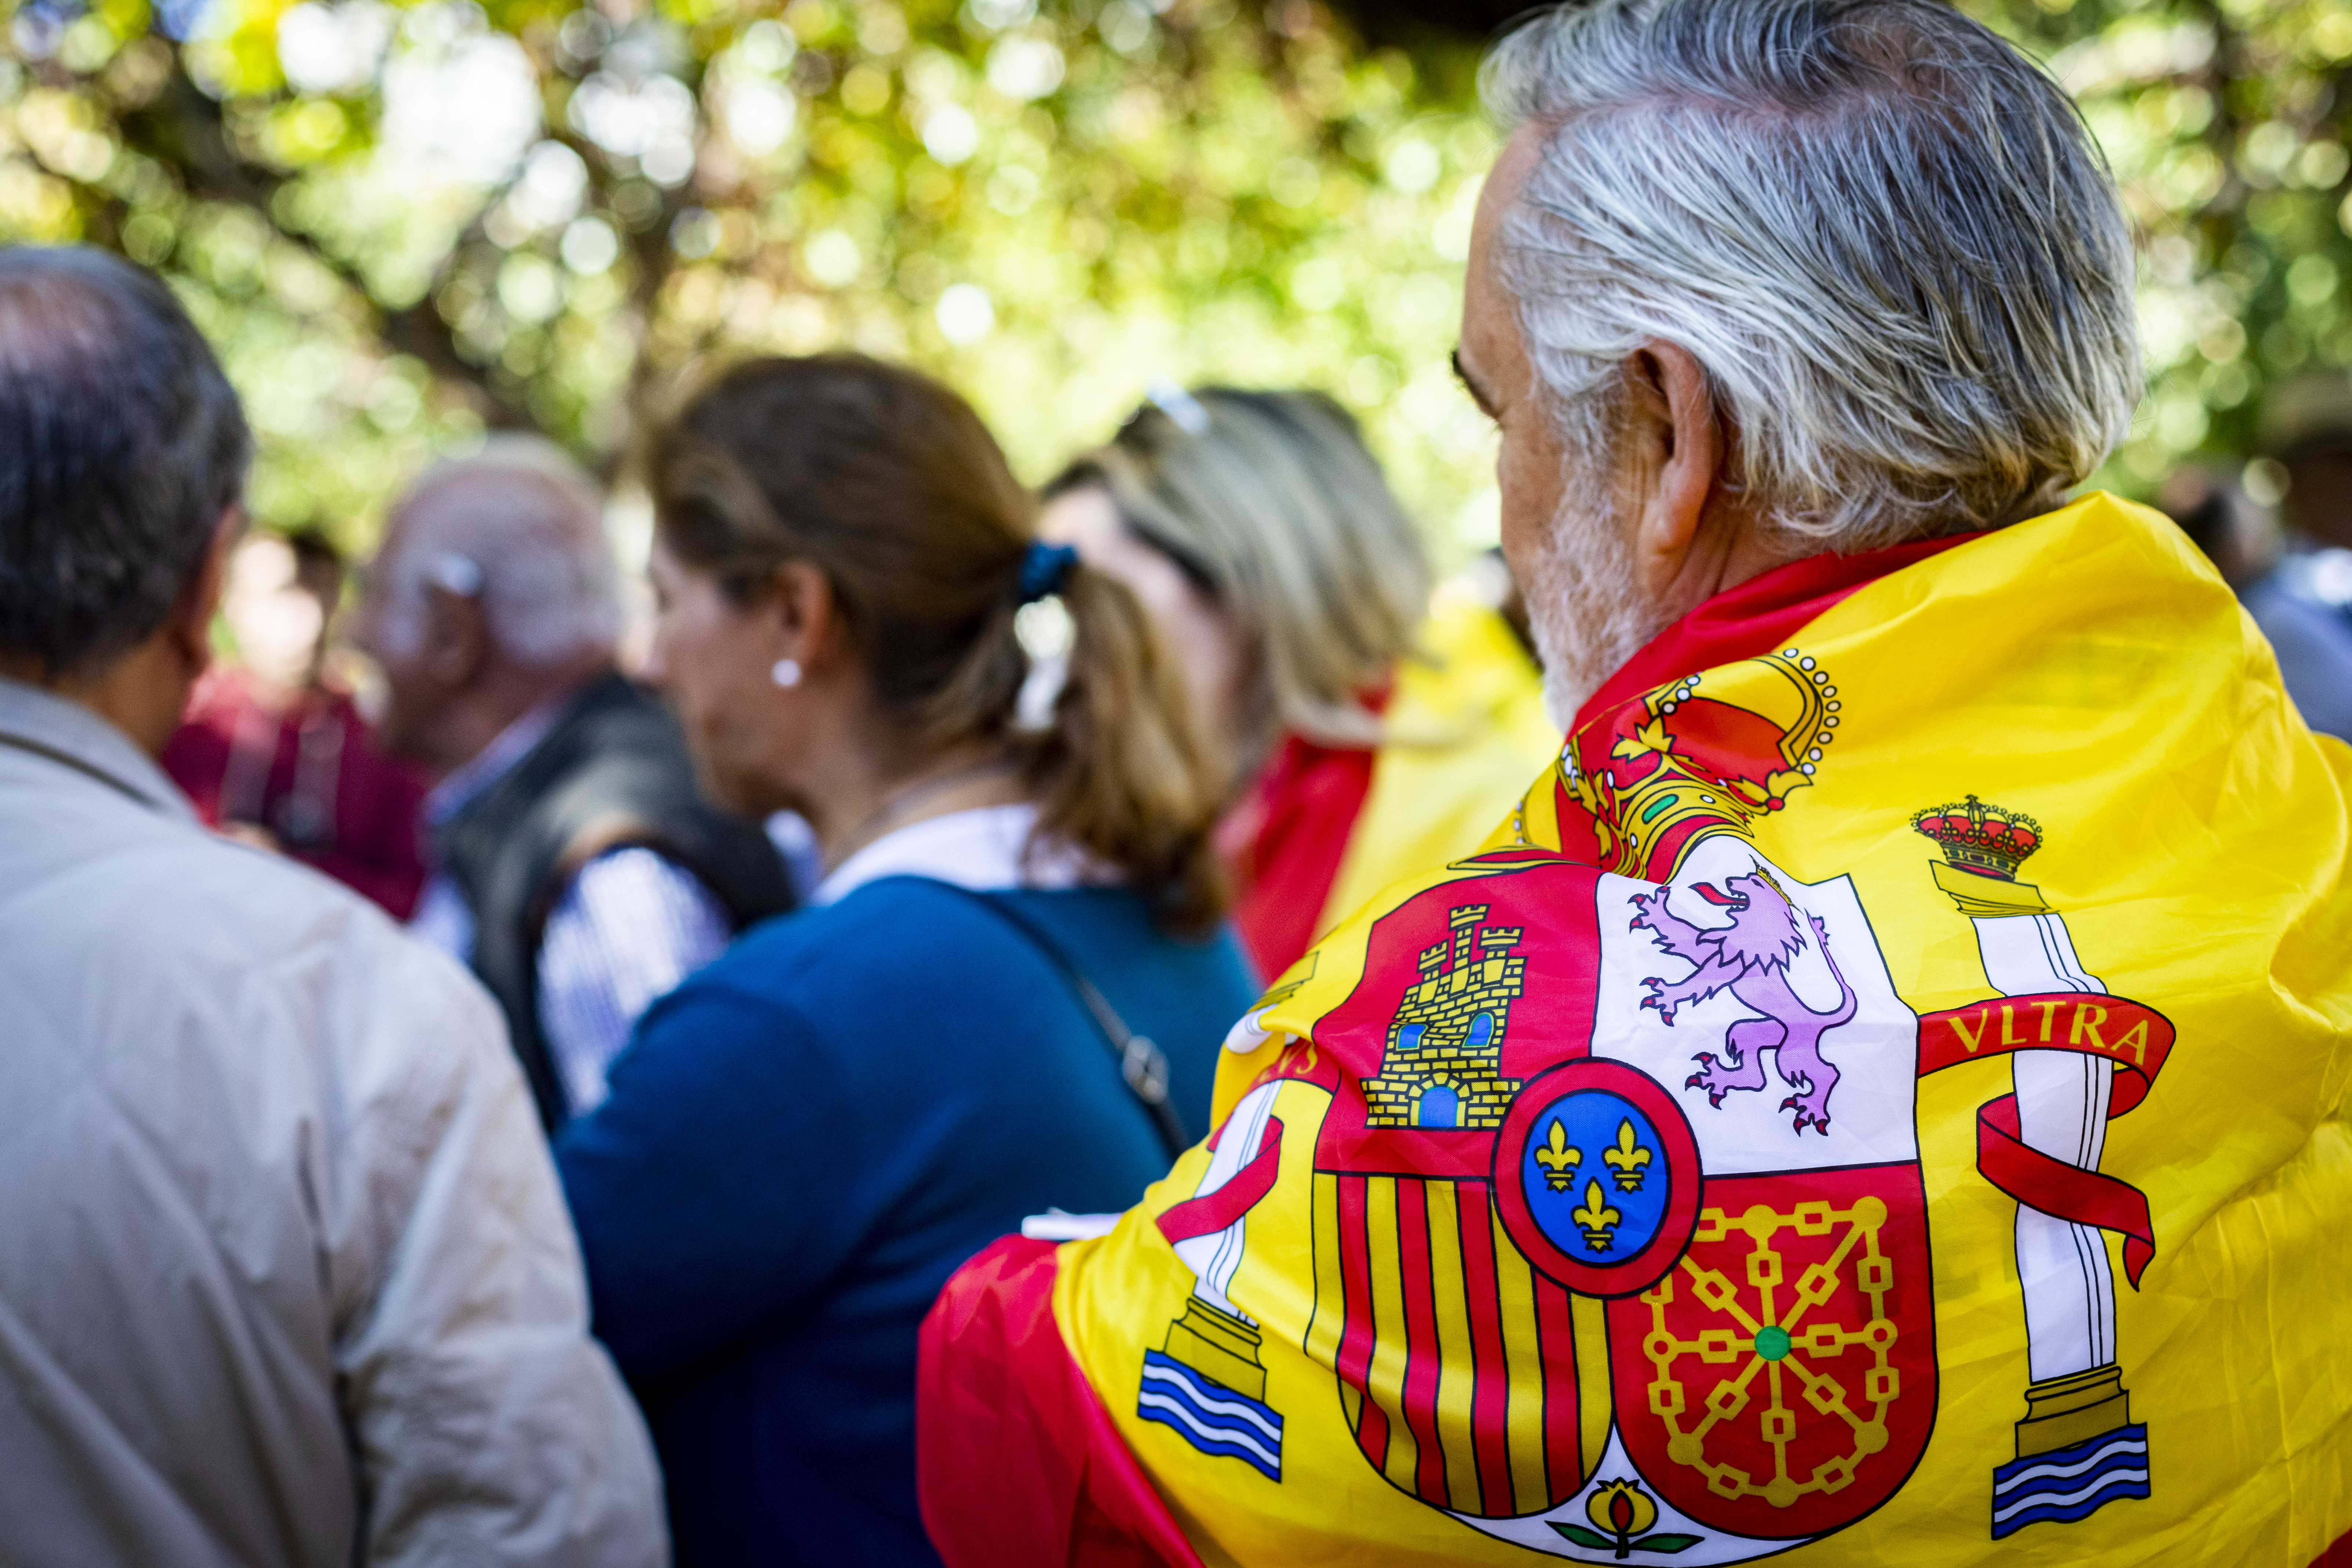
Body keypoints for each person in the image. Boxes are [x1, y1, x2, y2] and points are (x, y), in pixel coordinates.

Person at [917, 4, 2352, 1567]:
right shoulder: (2294, 807)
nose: (1500, 490)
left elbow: (1055, 1432)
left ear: (1670, 435)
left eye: (1498, 409)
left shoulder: (1528, 1005)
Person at [0, 248, 663, 1565]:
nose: (353, 633)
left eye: (376, 592)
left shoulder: (574, 883)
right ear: (206, 582)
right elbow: (530, 1530)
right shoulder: (355, 1016)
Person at [552, 354, 1259, 1566]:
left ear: (794, 616)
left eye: (668, 600)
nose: (650, 660)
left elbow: (475, 1349)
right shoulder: (1180, 917)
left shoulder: (793, 1024)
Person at [1043, 387, 1558, 982]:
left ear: (1247, 578)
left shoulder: (1482, 832)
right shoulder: (1190, 815)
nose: (1065, 670)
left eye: (1092, 606)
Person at [353, 440, 793, 1127]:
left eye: (372, 595)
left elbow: (666, 1177)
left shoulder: (613, 875)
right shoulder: (547, 805)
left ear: (451, 629)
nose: (356, 633)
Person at [162, 527, 431, 915]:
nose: (310, 620)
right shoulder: (186, 724)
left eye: (324, 594)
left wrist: (286, 869)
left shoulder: (384, 743)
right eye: (283, 596)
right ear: (228, 602)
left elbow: (415, 898)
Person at [2159, 466, 2352, 738]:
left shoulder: (2281, 591)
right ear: (2231, 551)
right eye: (2251, 515)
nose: (2265, 519)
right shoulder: (2267, 619)